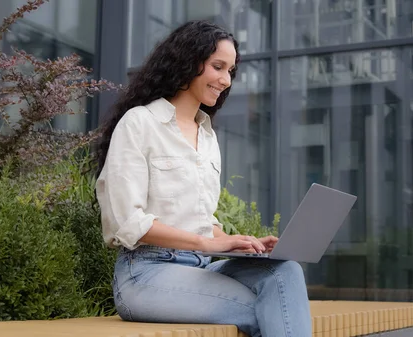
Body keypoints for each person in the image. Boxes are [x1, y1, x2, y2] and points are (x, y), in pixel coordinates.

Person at [94, 20, 312, 337]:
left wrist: (237, 244)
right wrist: (208, 242)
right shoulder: (140, 123)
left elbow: (199, 219)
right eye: (218, 67)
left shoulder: (207, 136)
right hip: (146, 274)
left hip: (200, 267)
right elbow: (126, 223)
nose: (225, 80)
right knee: (273, 310)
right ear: (188, 62)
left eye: (231, 71)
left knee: (285, 272)